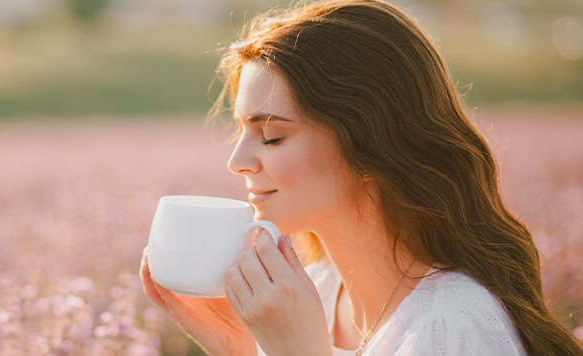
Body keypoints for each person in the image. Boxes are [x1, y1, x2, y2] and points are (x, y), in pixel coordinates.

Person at [140, 0, 583, 354]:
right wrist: (240, 349)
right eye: (240, 131)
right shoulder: (314, 294)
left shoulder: (452, 328)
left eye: (271, 136)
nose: (237, 160)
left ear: (372, 142)